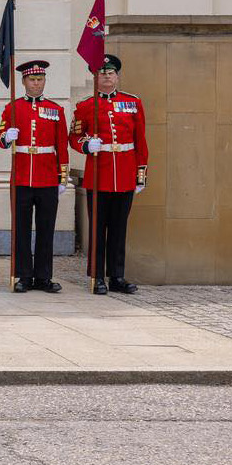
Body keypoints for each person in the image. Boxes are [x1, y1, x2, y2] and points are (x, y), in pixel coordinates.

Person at [70, 54, 146, 294]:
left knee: (118, 228)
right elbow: (73, 136)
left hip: (124, 174)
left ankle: (117, 276)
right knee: (97, 228)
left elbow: (140, 141)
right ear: (95, 77)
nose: (106, 76)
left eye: (110, 73)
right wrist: (85, 145)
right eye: (102, 73)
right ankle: (97, 276)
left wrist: (140, 174)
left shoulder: (132, 103)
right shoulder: (85, 106)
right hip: (98, 176)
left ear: (117, 76)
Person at [0, 59, 69, 293]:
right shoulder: (13, 108)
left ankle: (44, 277)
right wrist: (8, 136)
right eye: (32, 79)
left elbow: (62, 146)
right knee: (22, 229)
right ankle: (24, 276)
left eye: (40, 79)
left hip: (47, 176)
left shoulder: (56, 110)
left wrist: (62, 177)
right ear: (24, 82)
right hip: (21, 178)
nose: (36, 84)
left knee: (46, 229)